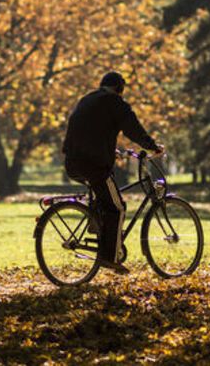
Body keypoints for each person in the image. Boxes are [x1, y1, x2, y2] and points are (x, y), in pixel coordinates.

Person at [61, 71, 162, 274]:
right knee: (118, 208)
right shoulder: (115, 103)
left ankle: (97, 225)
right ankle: (109, 257)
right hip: (94, 165)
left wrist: (108, 149)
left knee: (104, 198)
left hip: (72, 163)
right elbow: (133, 129)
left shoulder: (87, 99)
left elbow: (89, 131)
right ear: (119, 89)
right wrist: (152, 146)